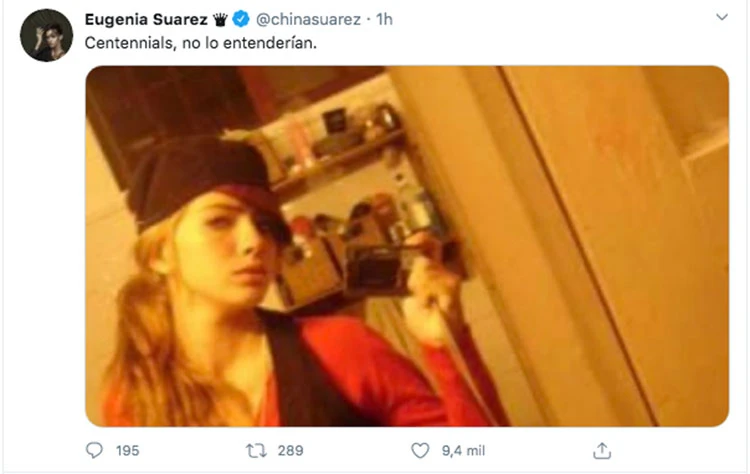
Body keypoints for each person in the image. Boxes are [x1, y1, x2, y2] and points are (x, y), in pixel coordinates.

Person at [101, 136, 509, 427]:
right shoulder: (134, 403)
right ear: (158, 254)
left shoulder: (341, 348)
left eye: (265, 225)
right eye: (219, 221)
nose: (255, 242)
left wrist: (447, 344)